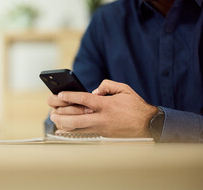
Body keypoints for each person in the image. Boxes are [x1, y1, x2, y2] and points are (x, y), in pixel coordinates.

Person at [45, 0, 203, 142]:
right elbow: (51, 124)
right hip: (127, 170)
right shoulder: (106, 21)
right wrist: (66, 119)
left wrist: (151, 122)